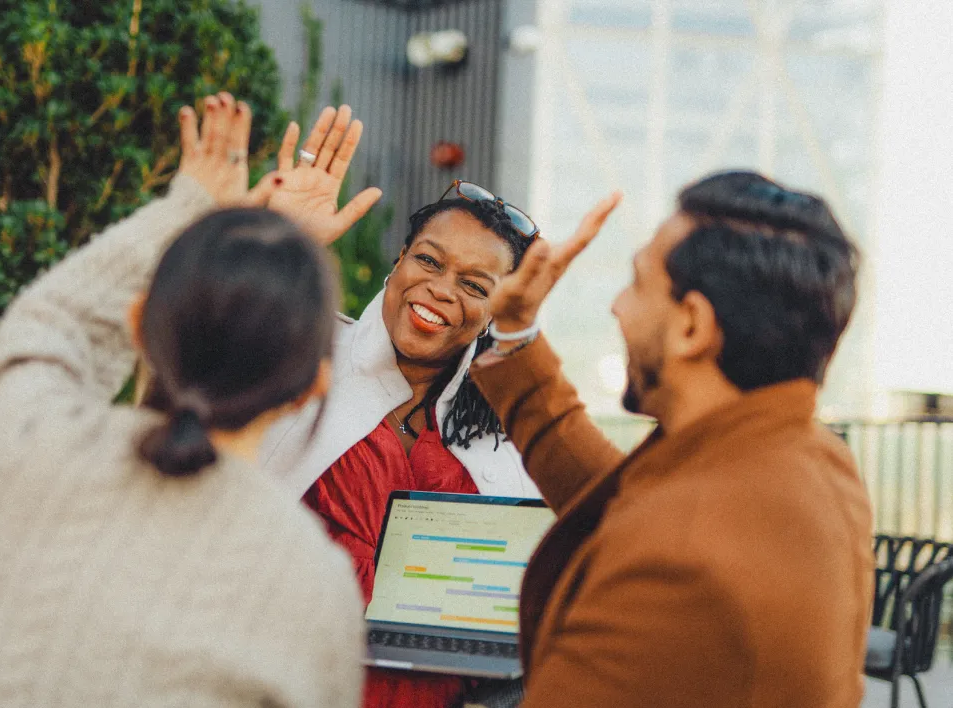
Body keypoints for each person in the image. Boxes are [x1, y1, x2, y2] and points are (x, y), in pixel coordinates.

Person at [0, 93, 368, 708]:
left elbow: (53, 320)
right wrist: (277, 261)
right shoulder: (311, 585)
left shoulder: (30, 447)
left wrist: (191, 208)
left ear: (139, 328)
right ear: (312, 386)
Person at [470, 171, 873, 707]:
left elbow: (660, 531)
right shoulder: (810, 461)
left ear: (691, 326)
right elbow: (616, 497)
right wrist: (518, 330)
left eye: (637, 282)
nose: (617, 305)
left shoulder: (678, 568)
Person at [257, 108, 541, 708]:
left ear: (497, 312)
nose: (440, 288)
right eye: (429, 261)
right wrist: (272, 251)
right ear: (399, 263)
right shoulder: (298, 355)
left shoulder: (503, 431)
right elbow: (196, 355)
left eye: (474, 284)